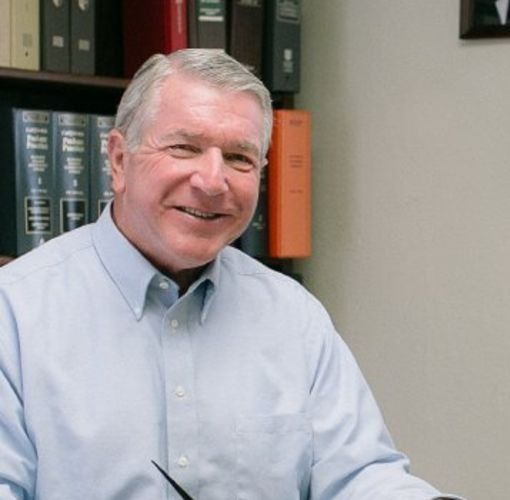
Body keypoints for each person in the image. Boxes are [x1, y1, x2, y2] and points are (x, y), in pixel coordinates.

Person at [0, 49, 463, 499]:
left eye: (239, 158)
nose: (212, 181)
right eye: (185, 148)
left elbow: (358, 477)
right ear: (119, 160)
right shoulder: (15, 313)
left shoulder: (293, 316)